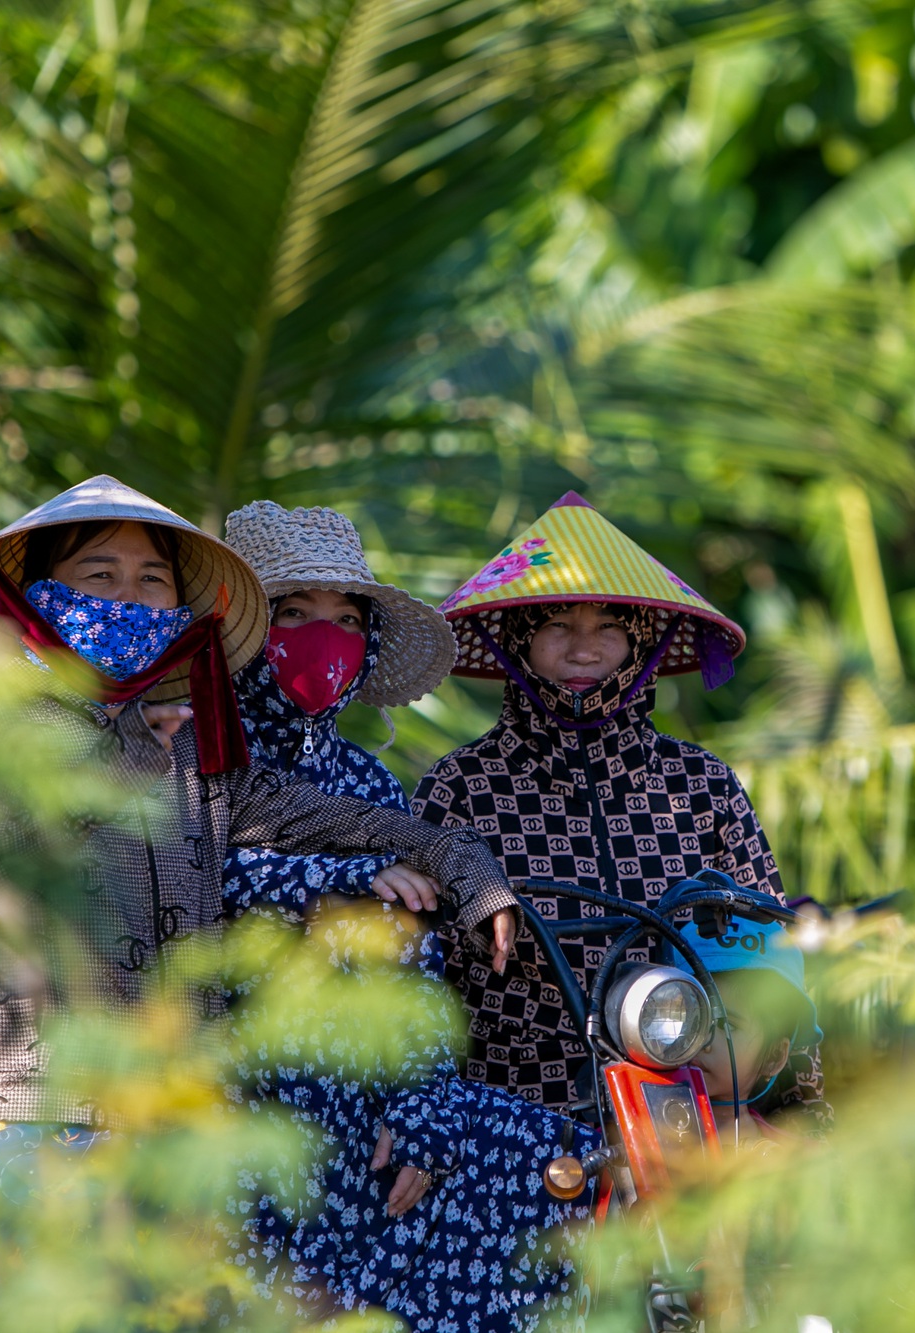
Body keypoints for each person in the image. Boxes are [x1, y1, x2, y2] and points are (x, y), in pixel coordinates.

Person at [0, 477, 519, 1278]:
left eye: (152, 580)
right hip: (38, 1111)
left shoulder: (194, 760)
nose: (129, 597)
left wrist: (463, 864)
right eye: (99, 576)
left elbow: (357, 825)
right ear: (37, 600)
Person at [219, 501, 599, 1333]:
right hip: (244, 1099)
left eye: (346, 620)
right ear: (244, 630)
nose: (326, 637)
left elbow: (421, 974)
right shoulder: (192, 755)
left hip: (376, 1099)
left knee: (558, 1165)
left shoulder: (370, 782)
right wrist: (340, 879)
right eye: (294, 614)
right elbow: (212, 877)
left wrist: (423, 1105)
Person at [414, 492, 825, 1122]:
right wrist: (423, 1121)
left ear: (641, 647)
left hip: (684, 1116)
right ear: (519, 640)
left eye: (608, 627)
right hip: (505, 1116)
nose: (584, 651)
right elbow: (415, 976)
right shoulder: (459, 786)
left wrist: (798, 1121)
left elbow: (772, 961)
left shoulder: (703, 785)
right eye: (557, 626)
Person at [676, 904, 824, 1146]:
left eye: (727, 1024)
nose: (701, 1039)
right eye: (690, 1017)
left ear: (774, 1056)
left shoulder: (796, 1162)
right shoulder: (625, 1148)